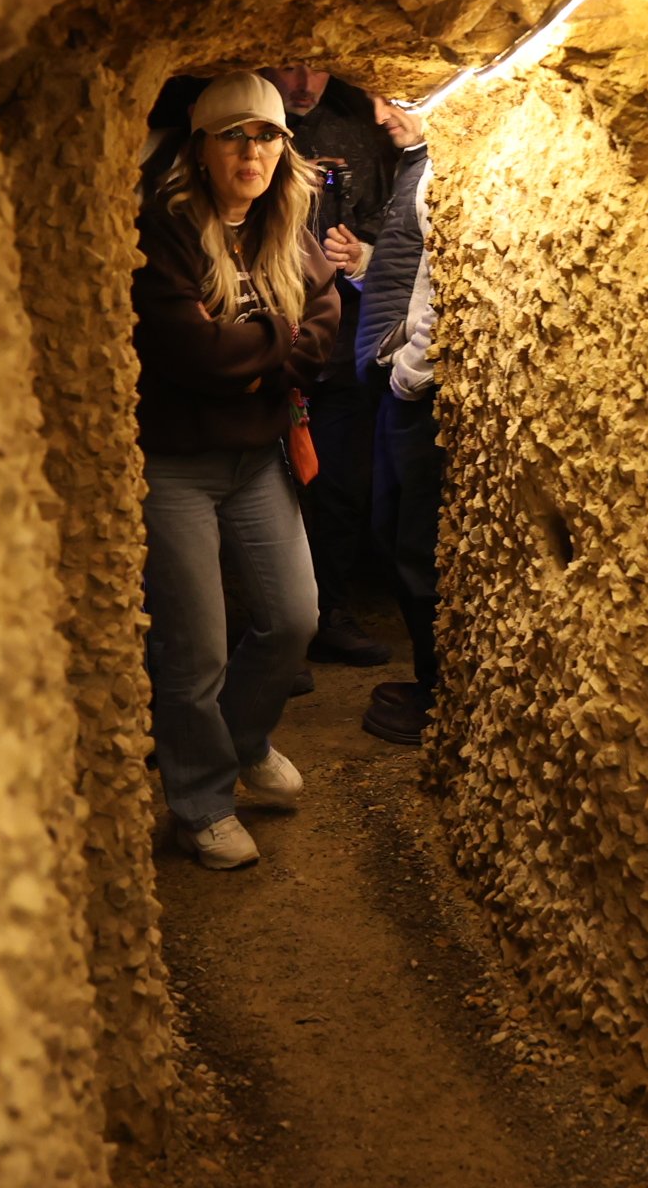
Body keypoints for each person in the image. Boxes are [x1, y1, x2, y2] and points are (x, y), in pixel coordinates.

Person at [133, 72, 339, 870]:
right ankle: (201, 803)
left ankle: (245, 741)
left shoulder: (286, 228)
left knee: (293, 619)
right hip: (178, 461)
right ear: (202, 149)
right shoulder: (170, 230)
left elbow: (324, 331)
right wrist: (272, 349)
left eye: (265, 138)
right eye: (234, 137)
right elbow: (188, 351)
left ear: (283, 153)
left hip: (256, 458)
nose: (251, 153)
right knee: (196, 651)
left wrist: (256, 353)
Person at [267, 63, 396, 668]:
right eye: (288, 66)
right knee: (266, 483)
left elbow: (386, 217)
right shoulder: (247, 128)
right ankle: (271, 631)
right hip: (263, 333)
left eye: (315, 67)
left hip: (337, 336)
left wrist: (361, 248)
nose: (302, 81)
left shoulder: (353, 131)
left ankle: (329, 612)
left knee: (339, 481)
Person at [358, 94, 443, 744]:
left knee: (416, 545)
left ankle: (437, 696)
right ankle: (431, 685)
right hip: (400, 387)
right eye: (372, 100)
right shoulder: (415, 162)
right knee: (393, 529)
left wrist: (409, 370)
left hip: (415, 392)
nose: (381, 114)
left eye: (393, 98)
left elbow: (442, 284)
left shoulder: (441, 169)